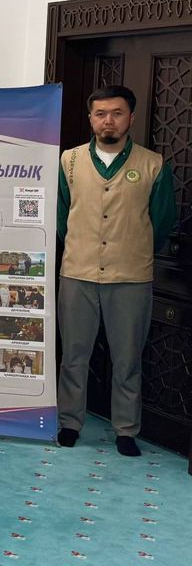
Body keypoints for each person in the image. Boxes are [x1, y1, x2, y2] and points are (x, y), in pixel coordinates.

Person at [57, 84, 177, 456]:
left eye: (117, 113)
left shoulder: (153, 164)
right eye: (101, 113)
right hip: (77, 272)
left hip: (130, 277)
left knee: (127, 358)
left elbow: (162, 221)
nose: (108, 120)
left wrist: (132, 249)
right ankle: (69, 422)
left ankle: (126, 430)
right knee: (74, 354)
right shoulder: (69, 160)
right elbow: (61, 217)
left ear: (131, 118)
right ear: (91, 118)